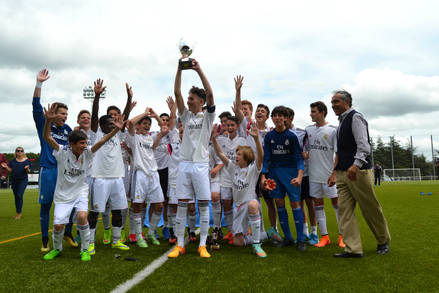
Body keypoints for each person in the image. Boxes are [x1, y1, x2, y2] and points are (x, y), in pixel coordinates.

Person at [41, 103, 124, 261]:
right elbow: (47, 137)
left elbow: (104, 140)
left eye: (85, 143)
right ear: (71, 144)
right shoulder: (62, 151)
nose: (85, 146)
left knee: (81, 216)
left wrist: (116, 129)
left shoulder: (87, 152)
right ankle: (57, 249)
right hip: (63, 194)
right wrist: (48, 121)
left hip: (80, 191)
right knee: (58, 225)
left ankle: (85, 249)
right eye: (81, 143)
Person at [330, 90, 391, 258]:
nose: (333, 105)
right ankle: (353, 249)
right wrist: (335, 172)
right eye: (332, 102)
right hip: (342, 173)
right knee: (344, 211)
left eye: (336, 102)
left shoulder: (355, 117)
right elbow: (340, 151)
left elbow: (364, 146)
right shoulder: (341, 122)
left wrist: (355, 165)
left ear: (347, 102)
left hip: (358, 172)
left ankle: (383, 241)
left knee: (369, 209)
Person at [167, 57, 215, 259]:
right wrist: (179, 69)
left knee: (203, 205)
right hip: (184, 165)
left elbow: (211, 93)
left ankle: (202, 245)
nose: (188, 100)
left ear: (201, 102)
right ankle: (179, 245)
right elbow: (177, 93)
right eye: (189, 98)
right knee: (182, 205)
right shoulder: (185, 117)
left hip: (201, 165)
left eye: (192, 98)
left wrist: (198, 69)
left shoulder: (208, 117)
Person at [32, 69, 77, 252]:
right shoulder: (44, 123)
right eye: (62, 113)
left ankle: (67, 232)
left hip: (65, 172)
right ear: (53, 113)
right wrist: (39, 84)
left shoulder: (67, 129)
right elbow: (35, 105)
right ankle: (45, 240)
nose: (65, 116)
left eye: (66, 113)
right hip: (49, 170)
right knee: (46, 206)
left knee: (72, 204)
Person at [87, 79, 134, 254]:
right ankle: (90, 242)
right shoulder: (95, 134)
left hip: (117, 178)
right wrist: (97, 96)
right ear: (100, 125)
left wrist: (129, 99)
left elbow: (126, 116)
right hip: (99, 178)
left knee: (118, 210)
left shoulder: (118, 135)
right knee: (95, 212)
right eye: (109, 124)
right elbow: (94, 115)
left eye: (114, 124)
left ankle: (116, 240)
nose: (113, 125)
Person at [233, 75, 280, 244]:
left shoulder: (270, 131)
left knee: (269, 201)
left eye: (263, 111)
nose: (259, 112)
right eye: (258, 110)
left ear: (267, 116)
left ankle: (273, 229)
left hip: (263, 169)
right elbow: (238, 110)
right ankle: (256, 233)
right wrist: (238, 90)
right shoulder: (248, 126)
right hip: (247, 169)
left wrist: (265, 174)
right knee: (252, 201)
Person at [212, 123, 267, 257]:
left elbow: (261, 155)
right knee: (237, 242)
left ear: (246, 157)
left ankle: (256, 245)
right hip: (238, 207)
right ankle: (261, 235)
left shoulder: (253, 169)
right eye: (236, 154)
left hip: (250, 204)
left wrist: (256, 139)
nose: (236, 156)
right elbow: (220, 153)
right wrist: (213, 139)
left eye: (239, 154)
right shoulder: (233, 168)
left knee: (253, 204)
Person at [261, 106, 307, 251]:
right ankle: (288, 238)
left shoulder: (292, 136)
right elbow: (266, 158)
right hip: (274, 173)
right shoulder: (269, 137)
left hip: (291, 173)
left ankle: (301, 239)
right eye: (275, 115)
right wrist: (263, 176)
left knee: (295, 204)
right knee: (279, 202)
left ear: (286, 118)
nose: (278, 118)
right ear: (272, 118)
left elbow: (299, 158)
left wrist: (299, 176)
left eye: (281, 115)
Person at [305, 101, 345, 248]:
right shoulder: (308, 130)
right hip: (313, 176)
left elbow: (338, 153)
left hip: (329, 176)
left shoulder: (333, 130)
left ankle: (342, 236)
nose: (310, 114)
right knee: (318, 206)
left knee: (337, 205)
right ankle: (325, 237)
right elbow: (307, 150)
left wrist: (334, 173)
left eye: (313, 111)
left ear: (322, 113)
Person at [126, 106, 165, 248]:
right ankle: (138, 235)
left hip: (153, 174)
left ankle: (150, 233)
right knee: (138, 205)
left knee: (159, 205)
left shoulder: (150, 138)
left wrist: (155, 116)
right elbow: (129, 123)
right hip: (140, 174)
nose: (147, 126)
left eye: (148, 124)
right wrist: (144, 113)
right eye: (144, 123)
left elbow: (164, 128)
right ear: (138, 125)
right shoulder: (133, 137)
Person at [285, 106, 318, 245]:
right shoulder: (278, 133)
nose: (281, 119)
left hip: (305, 173)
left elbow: (310, 150)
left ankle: (314, 232)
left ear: (291, 118)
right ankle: (304, 232)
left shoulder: (301, 132)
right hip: (291, 173)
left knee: (310, 202)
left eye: (285, 116)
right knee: (298, 203)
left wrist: (306, 155)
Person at [1, 147, 31, 219]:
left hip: (23, 181)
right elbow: (11, 170)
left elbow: (28, 171)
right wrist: (6, 167)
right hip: (14, 181)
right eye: (18, 151)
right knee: (16, 197)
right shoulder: (12, 161)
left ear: (23, 152)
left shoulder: (27, 161)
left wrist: (27, 169)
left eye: (21, 151)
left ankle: (19, 213)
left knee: (19, 195)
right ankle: (18, 213)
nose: (20, 152)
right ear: (16, 152)